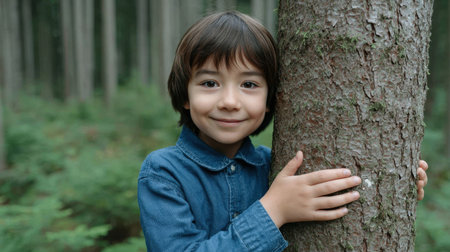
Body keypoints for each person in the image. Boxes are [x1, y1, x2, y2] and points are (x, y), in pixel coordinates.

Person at [137, 11, 429, 251]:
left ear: (270, 100)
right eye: (210, 83)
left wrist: (389, 180)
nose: (228, 102)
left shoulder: (275, 164)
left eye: (249, 84)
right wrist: (273, 210)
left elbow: (341, 199)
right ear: (185, 95)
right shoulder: (163, 173)